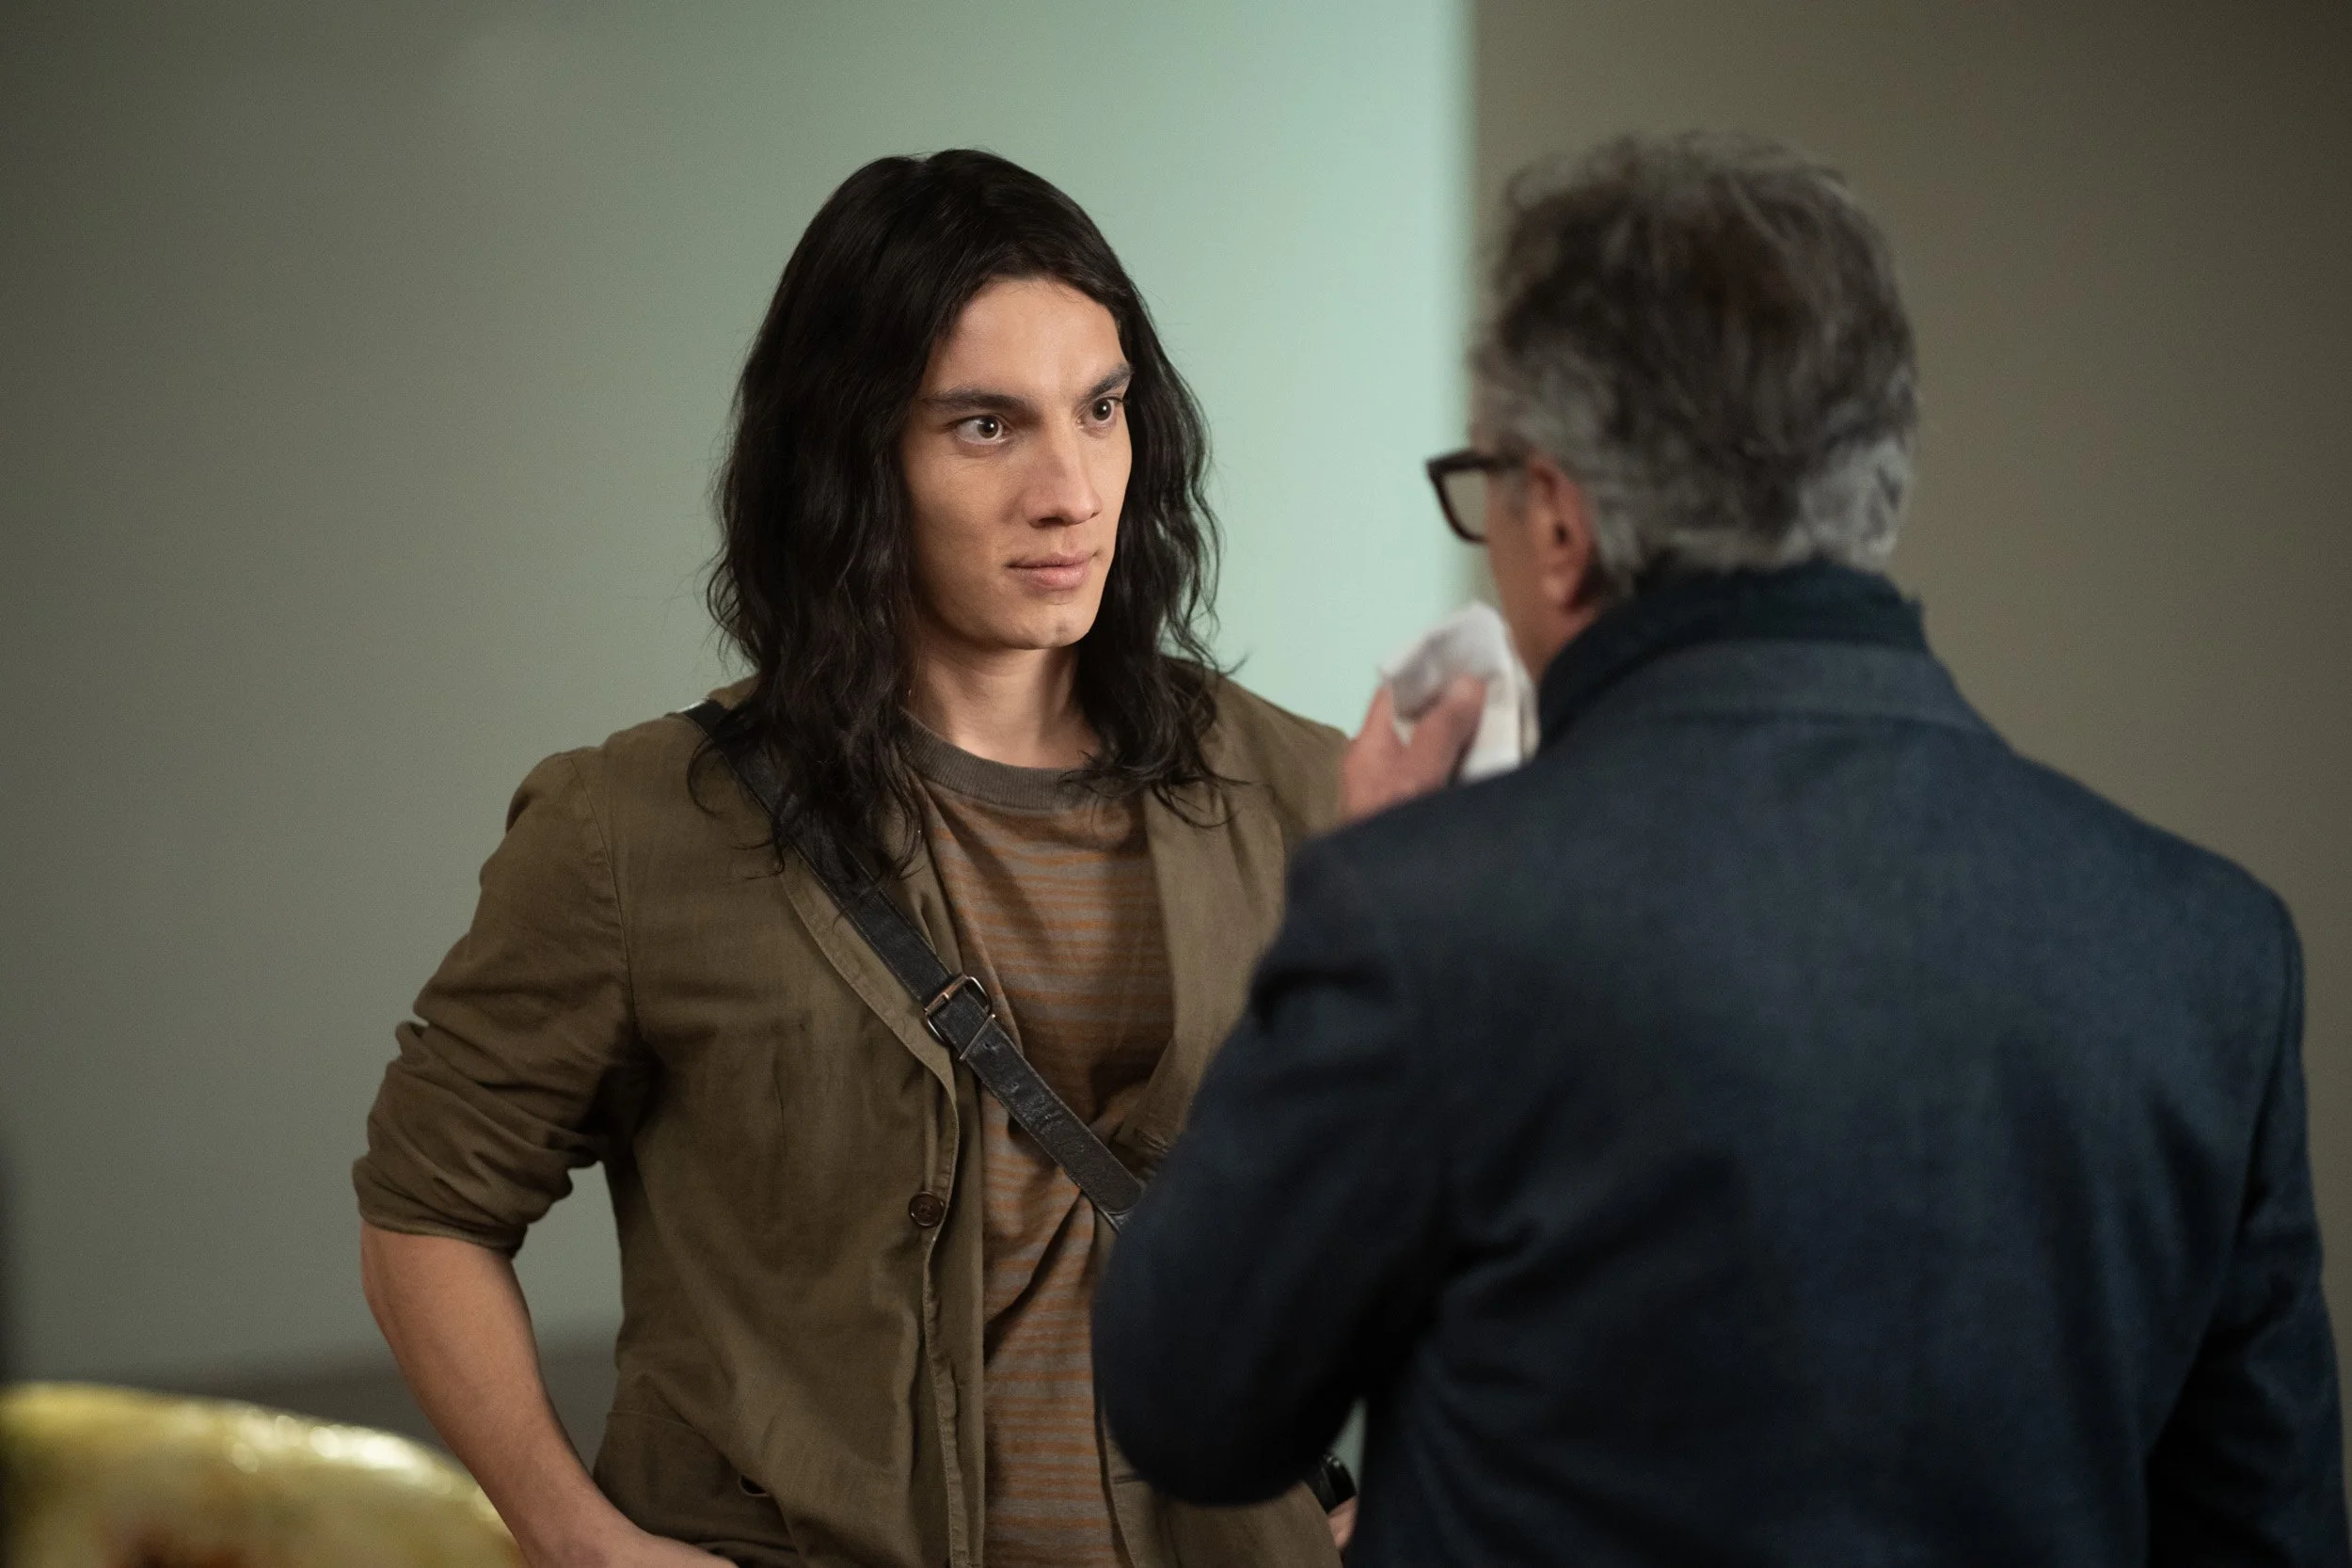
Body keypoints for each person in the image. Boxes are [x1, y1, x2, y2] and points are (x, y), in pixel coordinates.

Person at [1093, 133, 2350, 1566]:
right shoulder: (2206, 946)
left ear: (1558, 522)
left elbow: (1191, 1401)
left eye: (1489, 485)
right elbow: (2267, 1534)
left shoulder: (1430, 915)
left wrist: (1356, 886)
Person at [354, 150, 1352, 1568]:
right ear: (849, 459)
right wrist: (576, 1536)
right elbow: (426, 1208)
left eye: (1102, 408)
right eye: (988, 426)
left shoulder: (1301, 792)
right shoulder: (634, 828)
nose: (1073, 489)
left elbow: (1482, 1196)